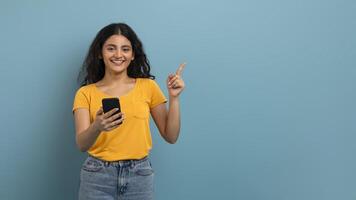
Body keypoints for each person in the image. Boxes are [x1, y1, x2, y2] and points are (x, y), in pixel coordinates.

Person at [72, 23, 185, 200]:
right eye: (111, 48)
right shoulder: (85, 93)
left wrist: (175, 98)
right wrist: (97, 126)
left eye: (125, 49)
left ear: (133, 55)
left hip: (139, 176)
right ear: (100, 53)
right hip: (97, 177)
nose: (118, 55)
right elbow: (81, 144)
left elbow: (171, 136)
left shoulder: (148, 87)